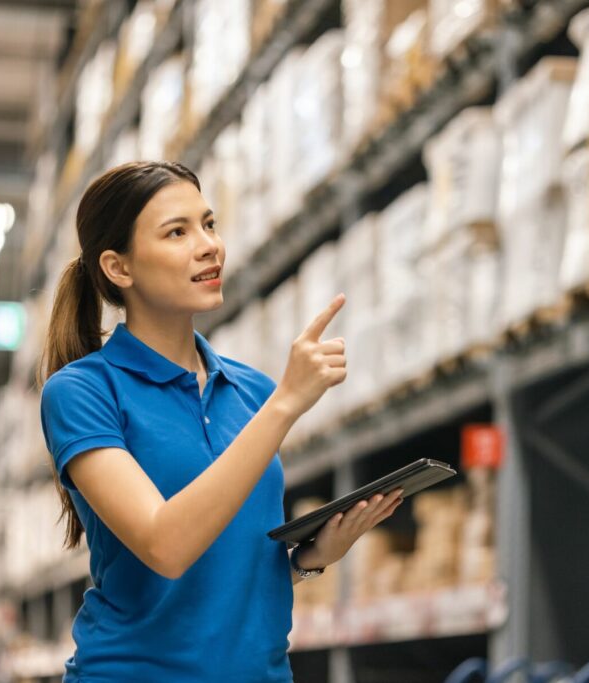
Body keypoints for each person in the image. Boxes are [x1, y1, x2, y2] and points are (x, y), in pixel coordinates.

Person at [37, 161, 403, 682]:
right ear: (119, 268)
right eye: (177, 232)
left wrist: (311, 558)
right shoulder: (83, 392)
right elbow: (165, 546)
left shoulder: (249, 390)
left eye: (209, 224)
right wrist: (285, 406)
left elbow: (228, 569)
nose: (209, 245)